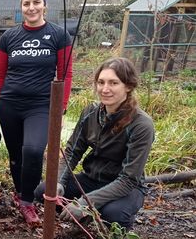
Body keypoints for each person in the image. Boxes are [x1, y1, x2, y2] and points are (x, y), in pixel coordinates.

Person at [34, 57, 155, 230]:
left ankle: (117, 232)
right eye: (101, 82)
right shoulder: (91, 112)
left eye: (113, 83)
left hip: (126, 187)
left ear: (128, 86)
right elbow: (72, 152)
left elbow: (129, 179)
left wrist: (85, 202)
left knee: (113, 213)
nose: (105, 89)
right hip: (92, 178)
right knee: (46, 190)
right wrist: (60, 181)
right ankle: (83, 220)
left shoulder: (141, 125)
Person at [0, 0, 73, 226]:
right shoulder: (9, 37)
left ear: (45, 5)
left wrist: (61, 107)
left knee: (33, 151)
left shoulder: (59, 35)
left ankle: (28, 200)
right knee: (16, 156)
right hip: (10, 104)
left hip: (41, 105)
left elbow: (65, 74)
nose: (31, 7)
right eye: (27, 3)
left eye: (36, 2)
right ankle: (22, 196)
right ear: (21, 7)